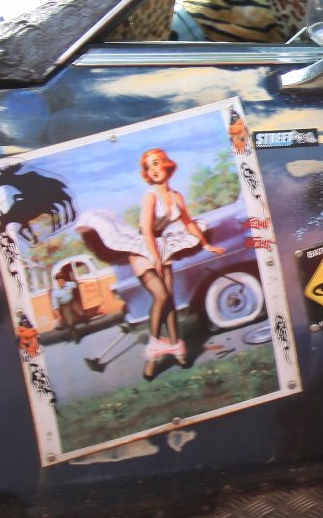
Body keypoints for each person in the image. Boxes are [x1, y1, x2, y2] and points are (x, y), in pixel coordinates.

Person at [77, 148, 226, 380]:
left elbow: (188, 223)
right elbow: (146, 230)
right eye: (148, 166)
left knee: (170, 300)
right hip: (142, 249)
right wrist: (155, 258)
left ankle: (177, 348)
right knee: (161, 297)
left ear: (167, 164)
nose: (153, 169)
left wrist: (206, 244)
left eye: (156, 163)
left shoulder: (176, 197)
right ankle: (153, 351)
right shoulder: (150, 197)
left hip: (162, 247)